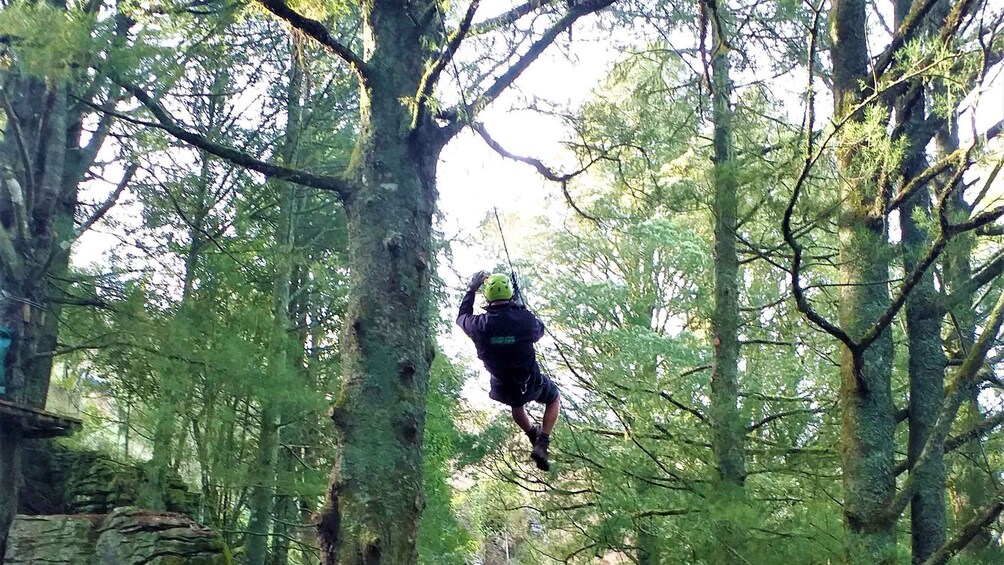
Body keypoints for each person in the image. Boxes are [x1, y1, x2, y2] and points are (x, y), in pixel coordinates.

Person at [457, 271, 561, 471]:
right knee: (553, 398)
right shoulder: (524, 320)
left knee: (517, 404)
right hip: (529, 381)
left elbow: (462, 317)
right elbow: (539, 330)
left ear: (488, 297)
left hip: (503, 384)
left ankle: (532, 435)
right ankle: (543, 441)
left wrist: (471, 289)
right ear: (511, 295)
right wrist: (519, 307)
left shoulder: (479, 325)